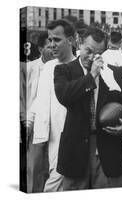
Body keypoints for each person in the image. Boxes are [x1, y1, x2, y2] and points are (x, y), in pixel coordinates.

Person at [54, 27, 122, 190]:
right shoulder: (64, 70)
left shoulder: (115, 73)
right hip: (76, 149)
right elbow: (65, 96)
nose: (91, 57)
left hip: (107, 147)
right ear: (80, 43)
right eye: (88, 51)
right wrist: (91, 77)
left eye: (97, 54)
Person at [28, 19, 76, 192]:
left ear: (71, 40)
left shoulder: (80, 66)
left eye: (57, 40)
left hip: (70, 137)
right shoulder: (48, 67)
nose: (52, 44)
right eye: (50, 40)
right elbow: (39, 100)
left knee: (54, 186)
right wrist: (30, 122)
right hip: (47, 137)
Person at [20, 31, 53, 193]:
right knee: (35, 168)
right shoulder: (30, 68)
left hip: (55, 125)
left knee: (52, 170)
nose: (53, 48)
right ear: (40, 49)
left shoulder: (62, 67)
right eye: (49, 46)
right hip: (34, 125)